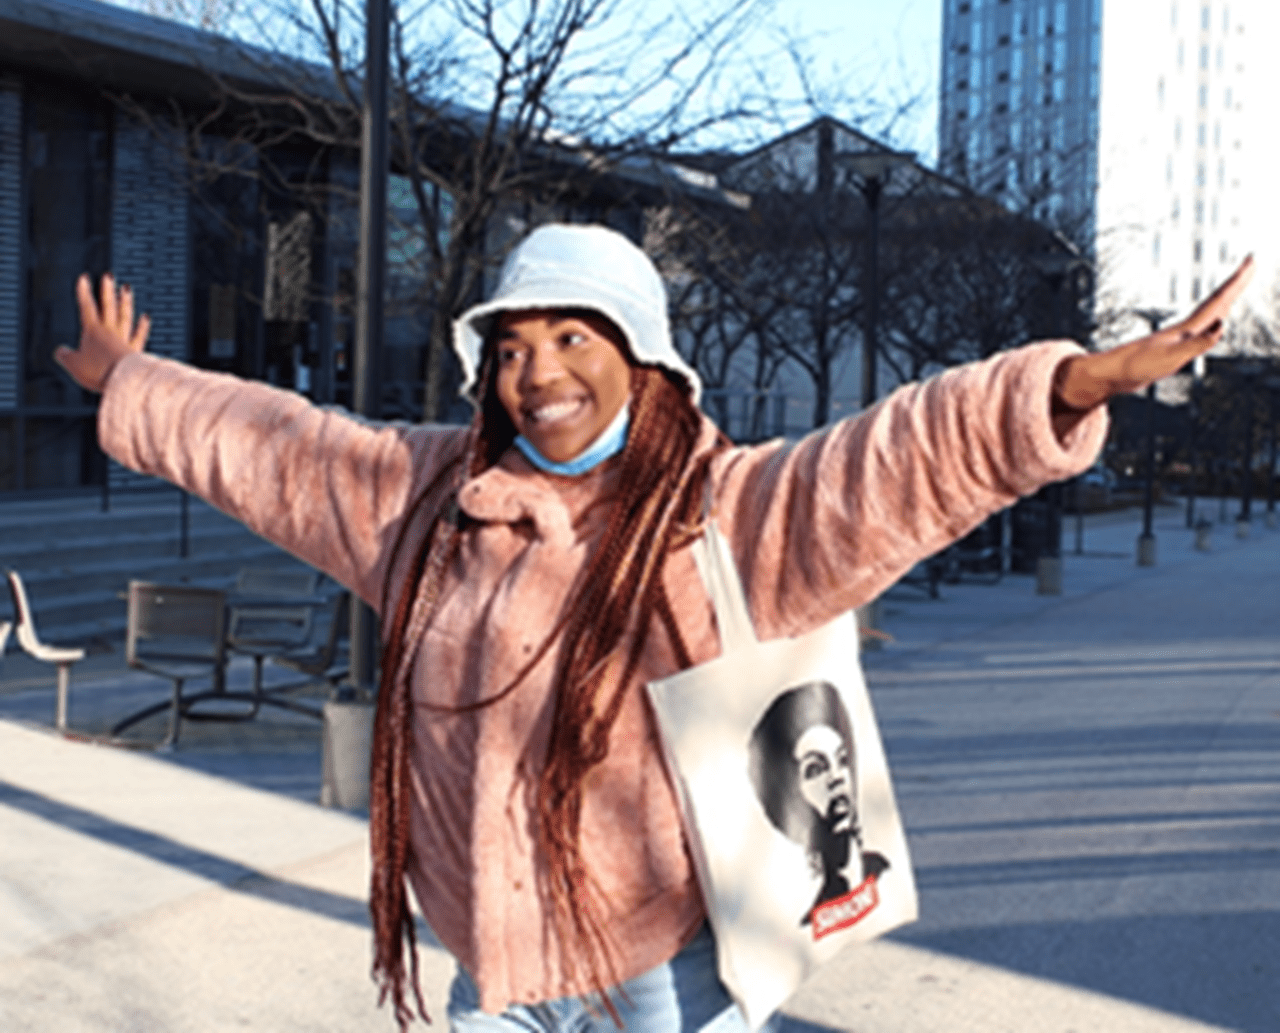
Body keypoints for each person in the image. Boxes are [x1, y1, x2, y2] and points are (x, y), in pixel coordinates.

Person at [55, 224, 1252, 1032]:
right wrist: (138, 388)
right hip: (498, 967)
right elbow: (284, 452)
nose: (539, 373)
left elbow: (893, 460)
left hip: (665, 967)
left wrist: (1062, 388)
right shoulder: (429, 498)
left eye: (574, 338)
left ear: (643, 361)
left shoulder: (721, 509)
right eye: (513, 348)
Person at [748, 680, 889, 928]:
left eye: (842, 760)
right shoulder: (803, 910)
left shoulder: (882, 870)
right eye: (815, 770)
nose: (836, 779)